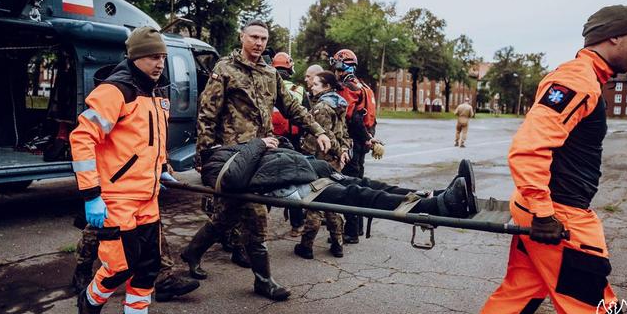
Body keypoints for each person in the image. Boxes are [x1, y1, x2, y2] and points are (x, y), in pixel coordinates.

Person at [456, 5, 627, 314]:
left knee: (517, 294)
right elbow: (529, 148)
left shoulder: (585, 77)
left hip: (550, 211)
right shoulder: (576, 79)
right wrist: (544, 213)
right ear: (614, 36)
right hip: (560, 217)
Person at [180, 19, 332, 302]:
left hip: (263, 157)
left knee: (227, 216)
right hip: (233, 157)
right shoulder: (225, 69)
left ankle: (193, 253)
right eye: (254, 37)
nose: (259, 42)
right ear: (242, 37)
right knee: (253, 215)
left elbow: (293, 108)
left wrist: (319, 130)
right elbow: (207, 114)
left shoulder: (270, 73)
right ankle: (263, 281)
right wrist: (204, 158)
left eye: (263, 38)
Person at [69, 27, 174, 314]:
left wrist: (162, 167)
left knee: (147, 267)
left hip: (148, 198)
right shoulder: (116, 91)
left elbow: (149, 141)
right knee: (117, 266)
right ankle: (90, 301)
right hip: (116, 200)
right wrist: (91, 195)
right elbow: (82, 138)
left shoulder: (153, 92)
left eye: (163, 57)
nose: (160, 63)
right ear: (135, 57)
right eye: (153, 57)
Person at [198, 137, 478, 222]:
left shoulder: (232, 150)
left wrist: (275, 144)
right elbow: (232, 180)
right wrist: (258, 143)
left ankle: (438, 194)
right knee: (364, 197)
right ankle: (438, 207)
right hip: (299, 188)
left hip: (311, 173)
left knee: (371, 186)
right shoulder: (214, 163)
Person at [71, 217, 200, 303]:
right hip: (110, 187)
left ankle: (164, 279)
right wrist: (92, 195)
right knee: (98, 226)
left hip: (140, 186)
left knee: (152, 227)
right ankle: (82, 270)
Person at [295, 71, 352, 259]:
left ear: (326, 86)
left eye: (316, 84)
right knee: (333, 202)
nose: (312, 86)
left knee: (315, 202)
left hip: (321, 161)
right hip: (335, 162)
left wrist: (338, 151)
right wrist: (344, 151)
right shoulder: (340, 103)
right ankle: (338, 244)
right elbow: (344, 134)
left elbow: (326, 136)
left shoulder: (322, 107)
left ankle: (306, 245)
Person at [331, 49, 378, 244]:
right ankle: (357, 228)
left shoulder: (348, 87)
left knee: (349, 185)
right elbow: (370, 118)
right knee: (357, 181)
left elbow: (352, 117)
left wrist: (364, 138)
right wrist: (369, 137)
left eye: (337, 66)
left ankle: (350, 231)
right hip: (363, 140)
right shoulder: (364, 85)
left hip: (353, 141)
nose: (335, 70)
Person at [270, 52, 307, 237]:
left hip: (269, 141)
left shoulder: (266, 85)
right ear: (289, 68)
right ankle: (297, 224)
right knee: (294, 181)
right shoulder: (298, 90)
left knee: (264, 179)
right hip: (292, 143)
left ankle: (258, 224)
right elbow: (306, 115)